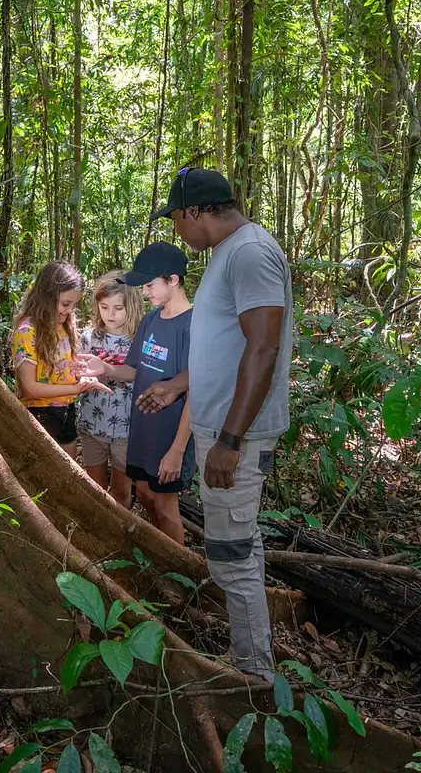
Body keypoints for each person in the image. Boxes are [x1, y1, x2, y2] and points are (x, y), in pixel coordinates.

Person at [146, 167, 293, 685]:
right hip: (220, 426)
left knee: (230, 554)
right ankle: (250, 664)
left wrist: (230, 440)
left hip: (238, 435)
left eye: (176, 220)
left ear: (194, 213)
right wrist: (179, 385)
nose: (177, 231)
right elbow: (226, 346)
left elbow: (264, 346)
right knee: (235, 545)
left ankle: (252, 677)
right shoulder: (228, 256)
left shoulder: (250, 253)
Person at [75, 242, 194, 544]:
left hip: (169, 436)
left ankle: (179, 571)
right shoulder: (152, 321)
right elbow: (135, 370)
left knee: (166, 506)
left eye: (150, 285)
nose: (145, 292)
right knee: (144, 495)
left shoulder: (193, 325)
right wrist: (105, 369)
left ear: (173, 280)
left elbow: (199, 389)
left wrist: (178, 450)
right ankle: (161, 557)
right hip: (141, 432)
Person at [12, 260, 111, 460]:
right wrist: (76, 389)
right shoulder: (27, 331)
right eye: (65, 304)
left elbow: (63, 372)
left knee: (68, 475)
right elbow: (31, 387)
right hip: (39, 414)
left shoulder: (64, 327)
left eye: (73, 305)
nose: (68, 311)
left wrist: (81, 375)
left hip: (67, 410)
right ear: (46, 296)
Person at [75, 272, 143, 508]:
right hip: (92, 423)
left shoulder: (139, 340)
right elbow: (76, 374)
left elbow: (142, 376)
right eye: (104, 307)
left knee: (122, 489)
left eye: (118, 308)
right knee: (95, 487)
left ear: (131, 306)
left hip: (127, 427)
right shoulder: (88, 338)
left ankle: (121, 530)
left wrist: (110, 370)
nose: (110, 314)